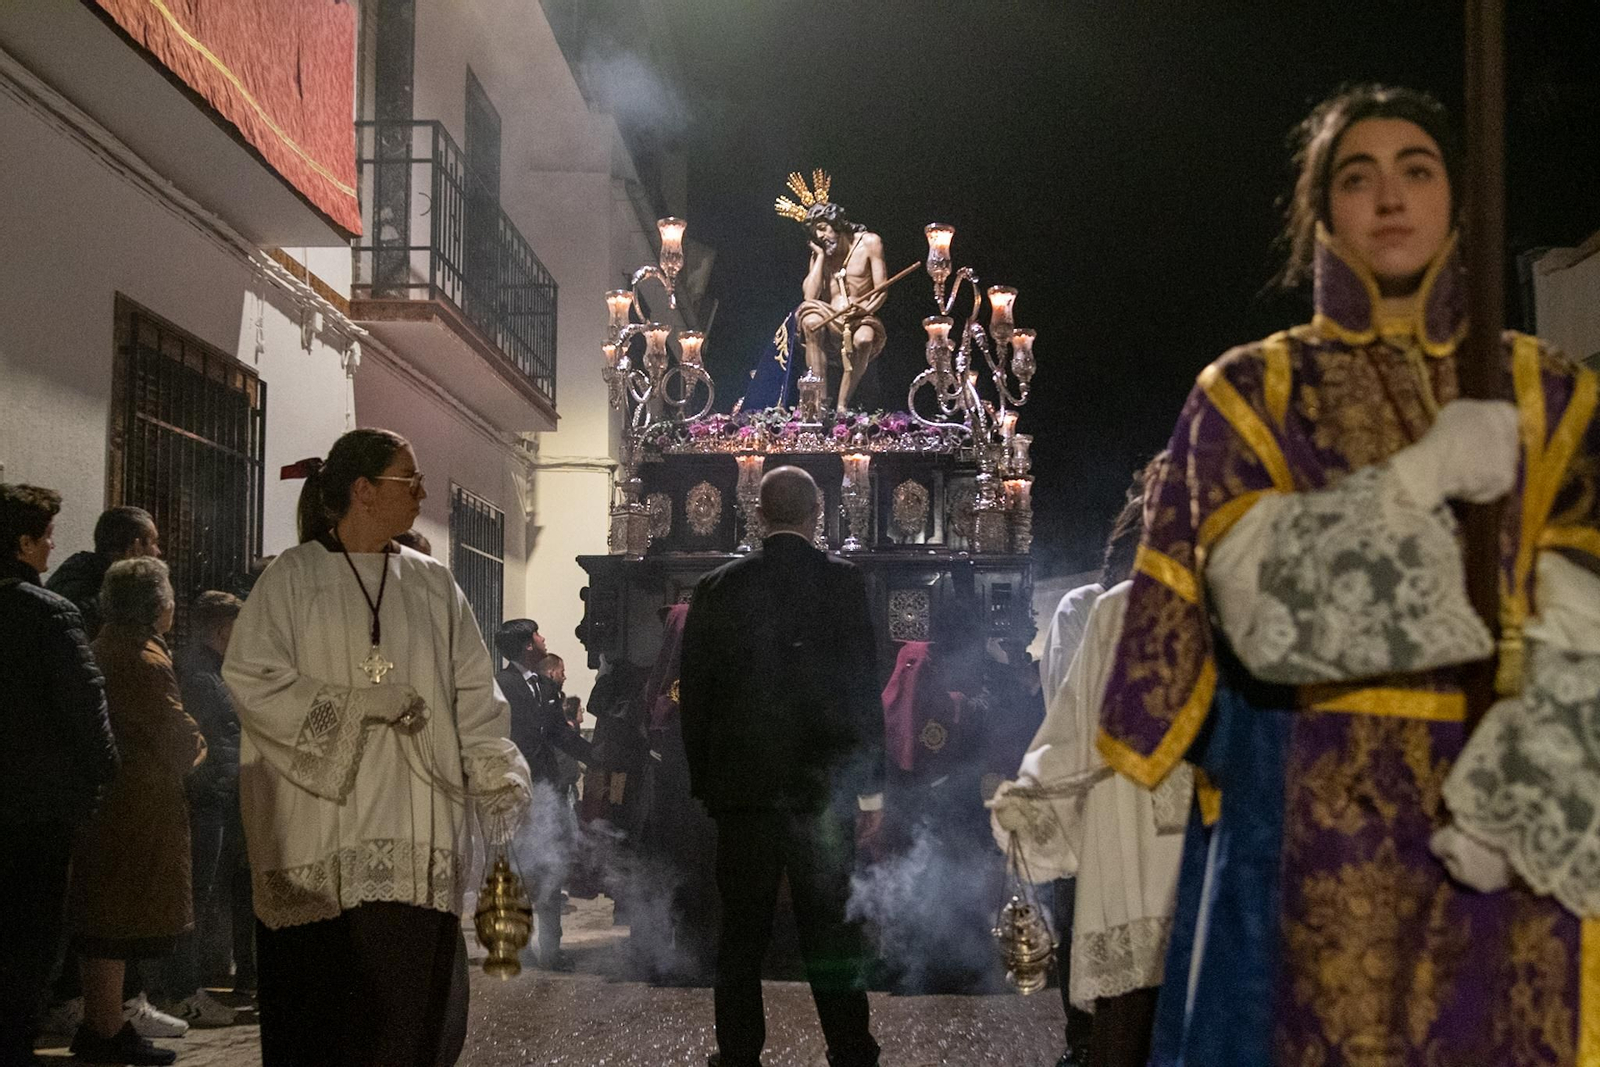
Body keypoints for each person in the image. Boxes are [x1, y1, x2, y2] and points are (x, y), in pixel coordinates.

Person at [1097, 85, 1600, 1065]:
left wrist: (1523, 793)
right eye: (1357, 177)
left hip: (1503, 838)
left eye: (1418, 170)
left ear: (1458, 198)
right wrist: (1418, 479)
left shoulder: (1553, 393)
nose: (1390, 197)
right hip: (1309, 832)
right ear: (1320, 211)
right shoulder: (1250, 394)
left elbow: (1587, 616)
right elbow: (1262, 609)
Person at [224, 430, 531, 1067]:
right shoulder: (291, 578)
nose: (421, 492)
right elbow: (253, 680)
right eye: (408, 480)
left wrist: (495, 771)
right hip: (317, 837)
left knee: (408, 1026)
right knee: (325, 1033)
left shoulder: (435, 585)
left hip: (417, 832)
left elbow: (474, 693)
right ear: (363, 491)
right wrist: (360, 706)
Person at [679, 465, 885, 1067]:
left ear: (759, 514)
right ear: (817, 513)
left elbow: (697, 696)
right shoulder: (843, 583)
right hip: (822, 792)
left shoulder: (717, 587)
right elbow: (862, 691)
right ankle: (851, 1051)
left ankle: (738, 1055)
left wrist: (707, 783)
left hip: (743, 794)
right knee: (831, 930)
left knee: (741, 934)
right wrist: (870, 790)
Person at [991, 455, 1187, 1067]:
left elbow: (1077, 732)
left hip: (1131, 829)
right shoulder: (1238, 598)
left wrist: (1029, 802)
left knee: (1128, 1011)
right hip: (1188, 833)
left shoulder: (1120, 607)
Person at [69, 558, 205, 1066]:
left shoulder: (104, 645)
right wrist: (198, 743)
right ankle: (104, 1030)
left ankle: (105, 1023)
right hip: (138, 806)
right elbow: (175, 734)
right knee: (117, 919)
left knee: (108, 916)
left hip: (113, 803)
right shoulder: (143, 659)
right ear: (157, 604)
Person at [0, 485, 118, 1067]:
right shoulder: (48, 612)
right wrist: (104, 771)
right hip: (35, 805)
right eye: (45, 536)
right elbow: (84, 704)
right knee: (30, 933)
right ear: (23, 543)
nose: (52, 546)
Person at [151, 591, 244, 1027]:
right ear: (223, 629)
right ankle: (182, 991)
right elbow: (203, 740)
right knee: (194, 897)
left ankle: (186, 986)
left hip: (216, 797)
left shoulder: (209, 670)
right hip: (207, 800)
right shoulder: (201, 676)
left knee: (201, 897)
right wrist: (211, 788)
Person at [493, 621, 591, 970]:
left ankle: (552, 947)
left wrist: (594, 756)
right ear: (526, 645)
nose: (543, 638)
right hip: (515, 789)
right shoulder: (500, 685)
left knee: (551, 863)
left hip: (548, 789)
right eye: (537, 635)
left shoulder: (547, 686)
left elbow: (559, 734)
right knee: (519, 866)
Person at [775, 171, 889, 412]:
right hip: (829, 318)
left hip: (860, 317)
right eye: (815, 234)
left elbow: (881, 290)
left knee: (864, 340)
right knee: (810, 321)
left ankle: (842, 404)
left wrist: (863, 310)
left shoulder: (869, 243)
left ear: (836, 223)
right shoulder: (823, 254)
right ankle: (819, 404)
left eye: (823, 228)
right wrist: (818, 257)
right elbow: (809, 297)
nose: (821, 236)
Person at [46, 506, 161, 639]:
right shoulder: (100, 597)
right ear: (136, 547)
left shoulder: (76, 574)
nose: (158, 552)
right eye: (154, 542)